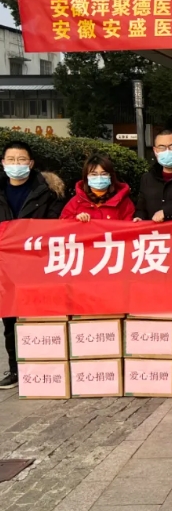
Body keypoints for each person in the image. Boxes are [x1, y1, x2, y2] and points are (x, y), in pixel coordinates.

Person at [0, 141, 65, 389]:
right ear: (3, 163)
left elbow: (55, 226)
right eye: (11, 159)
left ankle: (46, 368)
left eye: (21, 159)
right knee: (10, 319)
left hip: (38, 265)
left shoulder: (48, 192)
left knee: (41, 317)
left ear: (31, 163)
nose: (16, 164)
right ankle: (16, 369)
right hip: (5, 266)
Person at [60, 154, 135, 221]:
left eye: (104, 174)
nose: (99, 177)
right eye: (94, 174)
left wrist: (137, 222)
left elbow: (130, 227)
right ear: (86, 177)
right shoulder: (76, 202)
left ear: (111, 176)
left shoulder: (124, 203)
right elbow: (62, 225)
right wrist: (75, 219)